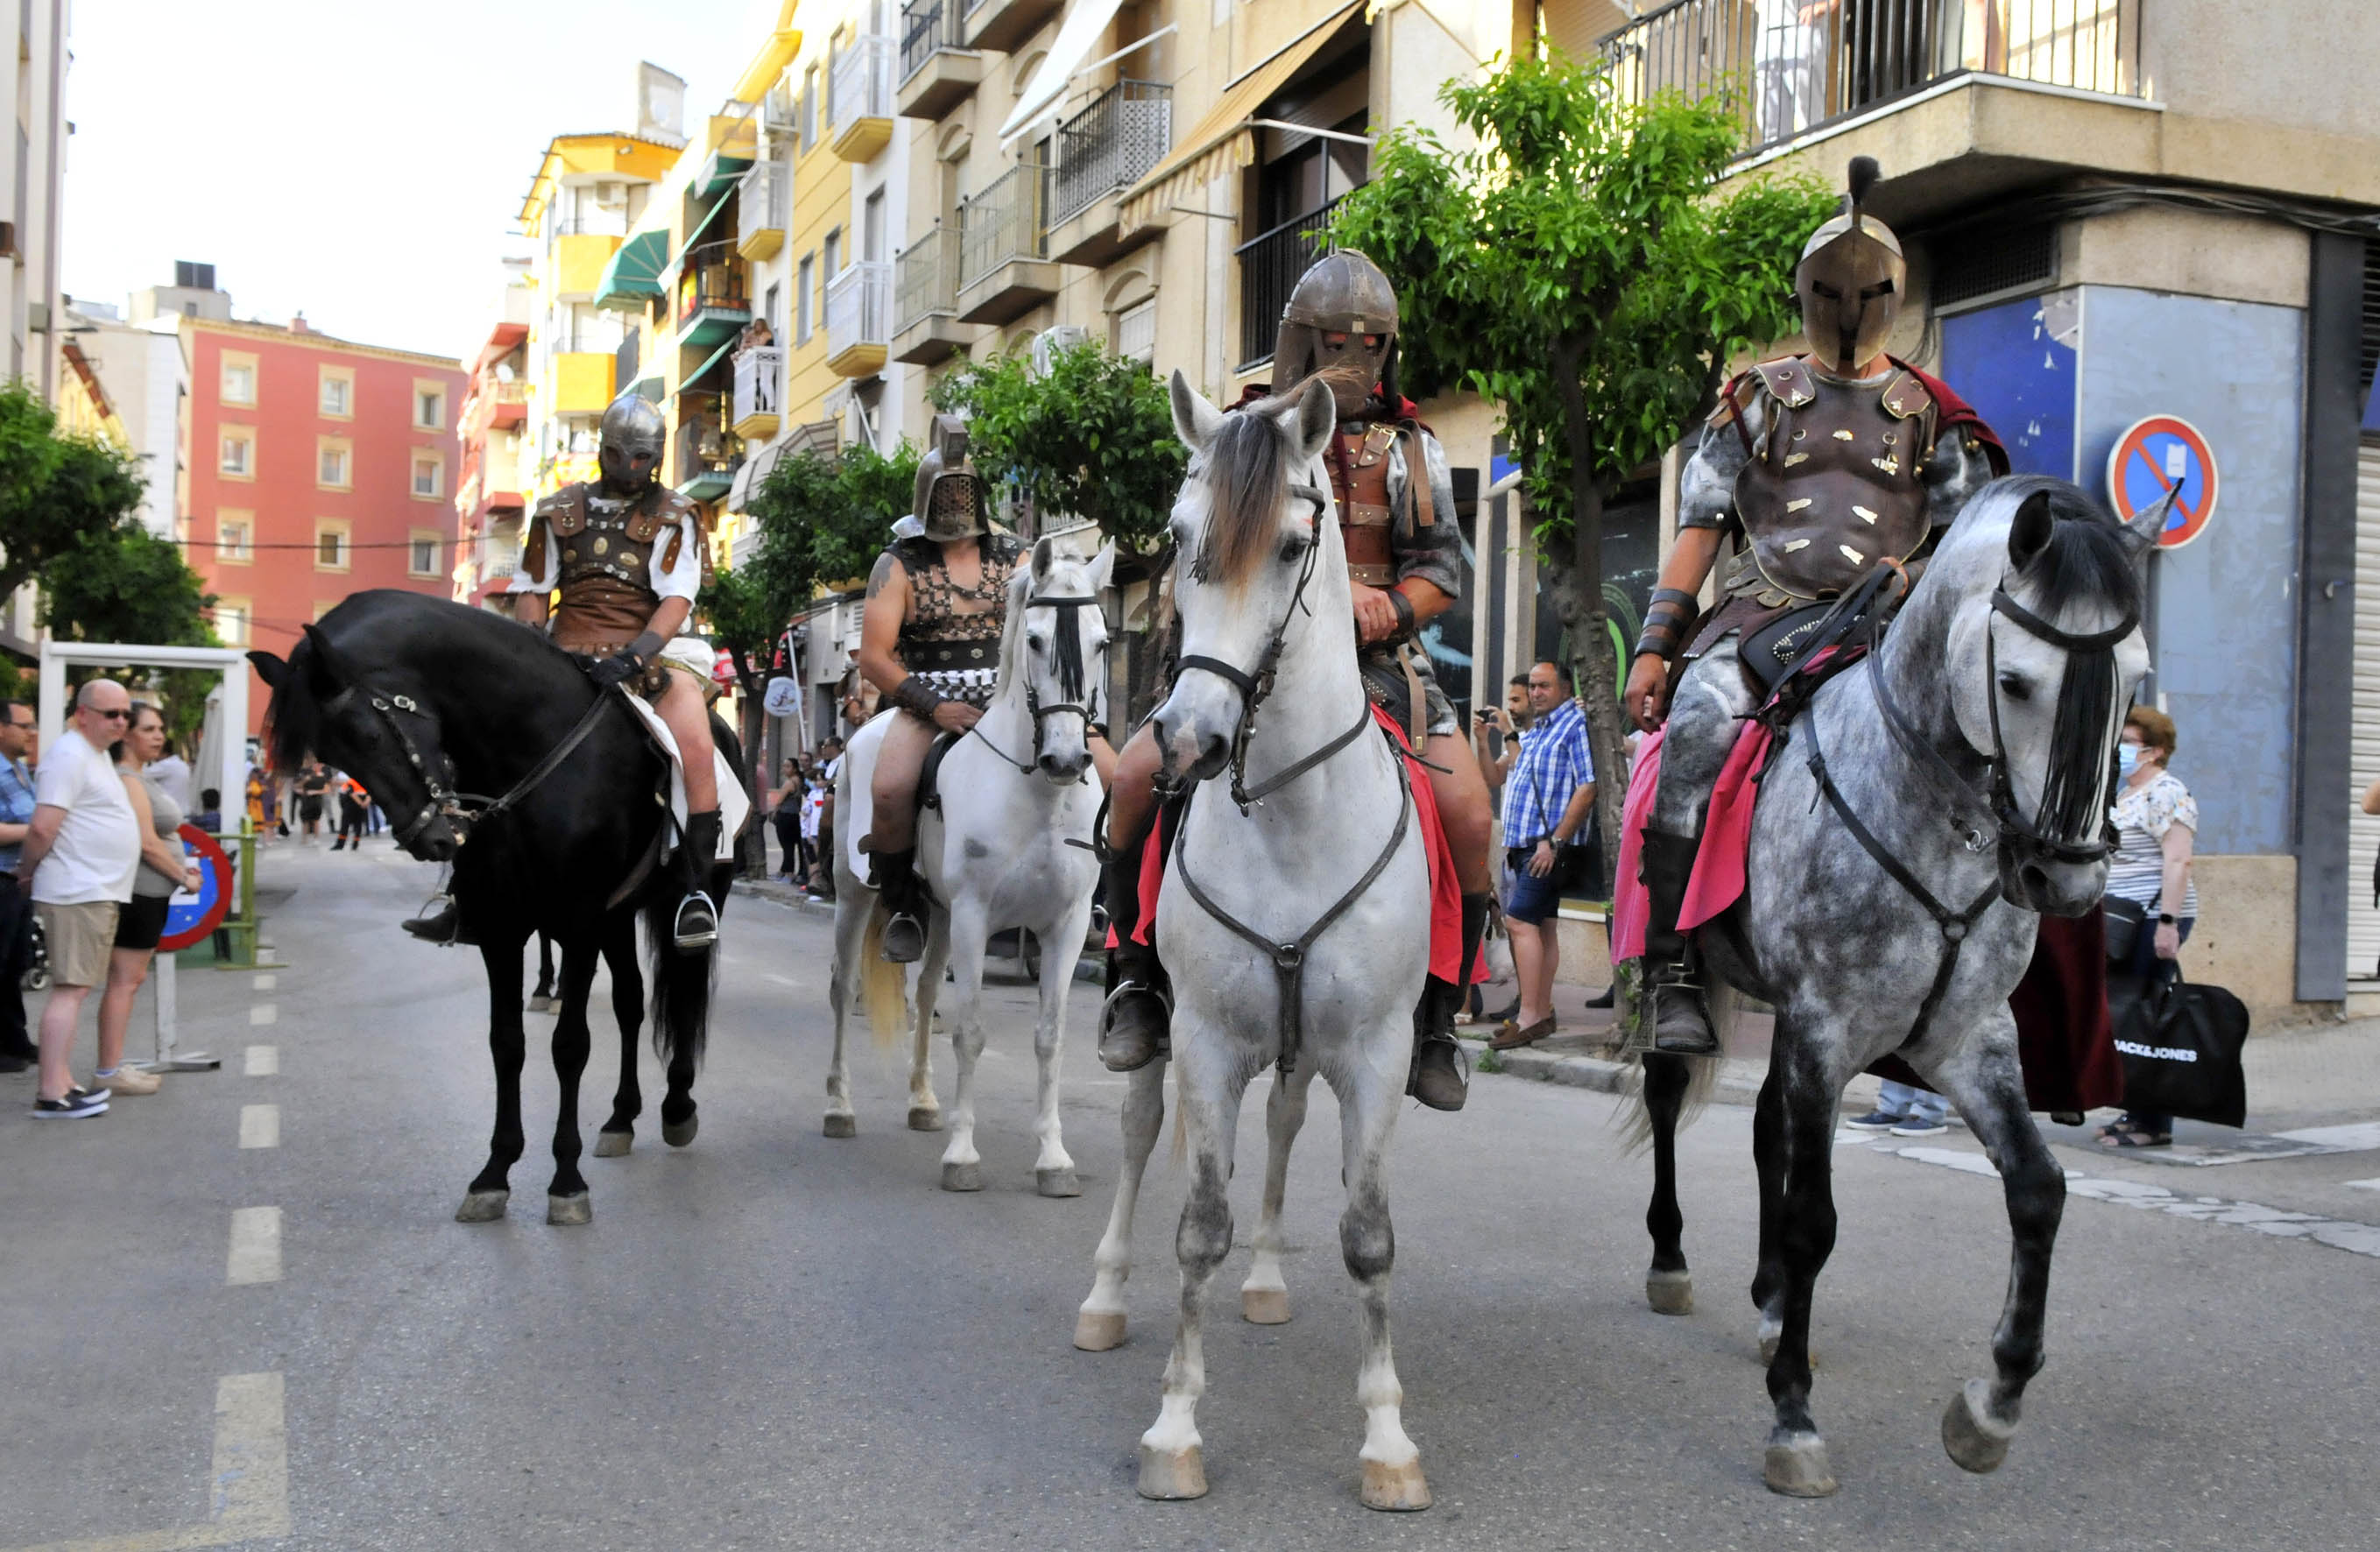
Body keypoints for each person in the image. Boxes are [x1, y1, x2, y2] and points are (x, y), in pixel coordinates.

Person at [1095, 250, 1495, 1111]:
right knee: (1132, 777)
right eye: (1337, 341)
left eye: (1373, 344)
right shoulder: (1240, 432)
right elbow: (1204, 548)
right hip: (1242, 655)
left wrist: (1390, 607)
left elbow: (1440, 571)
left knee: (1468, 813)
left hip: (1380, 664)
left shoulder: (1412, 445)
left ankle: (1438, 1013)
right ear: (1300, 343)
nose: (1357, 358)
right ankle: (1133, 975)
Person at [1621, 157, 2003, 1055]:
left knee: (1997, 745)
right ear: (1803, 293)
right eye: (1830, 291)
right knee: (1695, 731)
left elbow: (1967, 544)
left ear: (1893, 297)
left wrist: (1915, 575)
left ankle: (1981, 962)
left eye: (1866, 293)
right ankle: (1672, 971)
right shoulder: (1755, 400)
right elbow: (1699, 529)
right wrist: (1652, 648)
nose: (1848, 308)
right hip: (1761, 613)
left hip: (1889, 626)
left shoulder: (1933, 416)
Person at [406, 393, 723, 951]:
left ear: (656, 457)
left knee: (697, 745)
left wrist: (636, 654)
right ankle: (466, 892)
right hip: (563, 652)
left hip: (645, 655)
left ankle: (694, 890)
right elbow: (534, 589)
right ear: (603, 450)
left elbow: (677, 599)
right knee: (483, 745)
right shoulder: (558, 510)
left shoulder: (677, 514)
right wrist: (529, 650)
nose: (629, 468)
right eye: (619, 455)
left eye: (641, 458)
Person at [858, 418, 1112, 960]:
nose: (955, 507)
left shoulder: (1017, 556)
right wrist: (935, 707)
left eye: (963, 496)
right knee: (889, 789)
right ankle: (903, 905)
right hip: (928, 698)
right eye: (945, 497)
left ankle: (1097, 899)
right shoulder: (897, 563)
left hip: (1018, 698)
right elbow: (874, 658)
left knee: (1115, 776)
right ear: (926, 501)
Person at [19, 679, 142, 1118]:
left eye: (126, 714)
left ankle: (63, 1081)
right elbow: (42, 827)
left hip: (92, 888)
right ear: (83, 713)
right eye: (112, 714)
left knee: (76, 989)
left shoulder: (91, 754)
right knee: (70, 990)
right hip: (78, 889)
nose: (121, 722)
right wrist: (27, 871)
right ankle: (52, 1092)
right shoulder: (70, 755)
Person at [2098, 705, 2198, 1149]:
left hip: (2156, 917)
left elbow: (2178, 861)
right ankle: (2133, 1109)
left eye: (2128, 743)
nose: (2119, 749)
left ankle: (2155, 1122)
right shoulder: (2126, 794)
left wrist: (2168, 925)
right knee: (2127, 1014)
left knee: (2150, 1014)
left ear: (2155, 751)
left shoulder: (2167, 792)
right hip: (2124, 918)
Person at [1488, 663, 1600, 1051]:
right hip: (1525, 847)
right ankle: (1542, 1011)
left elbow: (1588, 786)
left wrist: (1555, 841)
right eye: (1532, 686)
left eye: (1544, 686)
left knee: (1519, 922)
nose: (1535, 692)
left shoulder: (1575, 724)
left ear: (1566, 689)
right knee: (1544, 927)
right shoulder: (1539, 729)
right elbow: (1510, 775)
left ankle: (1529, 1017)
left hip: (1546, 848)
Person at [96, 703, 203, 1100]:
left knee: (129, 981)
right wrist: (184, 877)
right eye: (148, 729)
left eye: (160, 728)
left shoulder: (140, 776)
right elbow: (146, 843)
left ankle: (113, 1066)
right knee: (124, 982)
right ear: (126, 735)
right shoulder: (128, 779)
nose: (158, 736)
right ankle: (109, 1070)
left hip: (150, 893)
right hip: (140, 893)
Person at [0, 699, 41, 1071]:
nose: (32, 732)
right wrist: (39, 831)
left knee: (14, 965)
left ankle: (15, 1041)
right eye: (25, 725)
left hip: (18, 880)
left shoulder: (19, 769)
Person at [767, 758, 805, 881]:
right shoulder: (799, 780)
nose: (784, 769)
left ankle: (789, 872)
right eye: (784, 766)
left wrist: (774, 813)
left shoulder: (790, 782)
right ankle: (783, 870)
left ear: (795, 769)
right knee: (790, 845)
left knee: (787, 845)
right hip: (794, 816)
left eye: (788, 766)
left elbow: (780, 800)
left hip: (785, 816)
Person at [295, 762, 330, 843]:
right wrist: (305, 780)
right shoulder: (306, 774)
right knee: (305, 821)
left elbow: (327, 789)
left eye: (319, 765)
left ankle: (316, 838)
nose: (316, 767)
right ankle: (304, 839)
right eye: (315, 765)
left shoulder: (323, 777)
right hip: (306, 801)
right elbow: (298, 786)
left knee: (316, 820)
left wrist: (315, 792)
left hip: (317, 801)